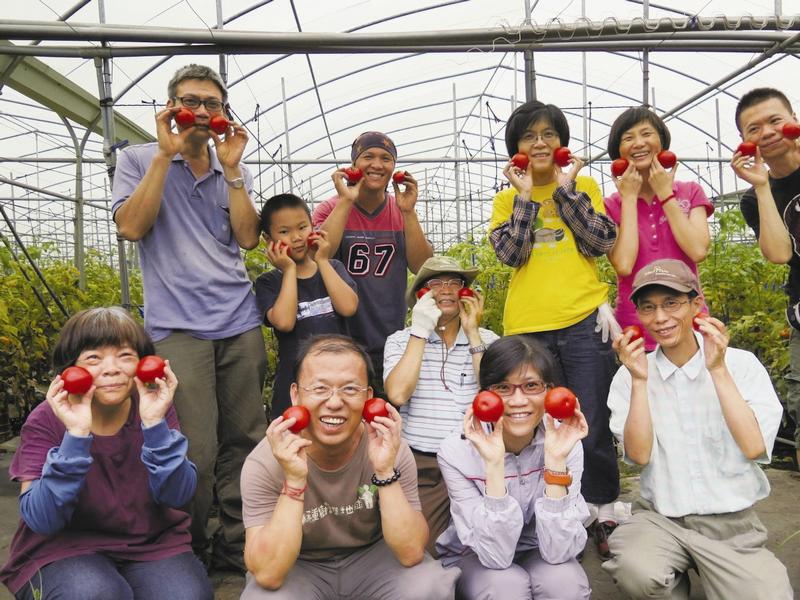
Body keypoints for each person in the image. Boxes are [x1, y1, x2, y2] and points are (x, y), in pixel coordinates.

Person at [111, 63, 268, 571]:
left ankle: (237, 544)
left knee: (247, 438)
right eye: (190, 101)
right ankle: (190, 545)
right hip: (178, 327)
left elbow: (247, 239)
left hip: (239, 321)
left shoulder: (230, 166)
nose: (201, 111)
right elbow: (132, 227)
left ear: (223, 113)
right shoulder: (138, 158)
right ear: (172, 108)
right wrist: (163, 154)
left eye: (212, 104)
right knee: (194, 448)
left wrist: (236, 171)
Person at [603, 259, 791, 599]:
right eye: (649, 308)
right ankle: (673, 585)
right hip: (661, 520)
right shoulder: (629, 375)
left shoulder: (740, 364)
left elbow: (754, 448)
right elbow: (639, 456)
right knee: (636, 572)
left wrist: (718, 370)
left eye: (672, 304)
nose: (660, 318)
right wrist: (640, 382)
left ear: (696, 305)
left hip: (731, 526)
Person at [0, 307, 213, 600]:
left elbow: (178, 496)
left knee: (185, 596)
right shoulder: (46, 419)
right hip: (61, 548)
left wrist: (154, 425)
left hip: (148, 542)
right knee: (93, 593)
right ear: (70, 369)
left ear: (144, 363)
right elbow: (42, 520)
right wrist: (75, 435)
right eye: (93, 358)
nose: (111, 368)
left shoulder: (152, 407)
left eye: (125, 355)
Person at [488, 99, 620, 556]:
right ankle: (555, 506)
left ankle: (601, 511)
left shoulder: (583, 186)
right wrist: (525, 197)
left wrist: (565, 191)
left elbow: (601, 240)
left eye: (548, 133)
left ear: (562, 143)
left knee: (593, 420)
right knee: (542, 423)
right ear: (516, 149)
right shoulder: (507, 199)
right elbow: (511, 254)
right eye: (529, 136)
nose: (540, 142)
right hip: (528, 328)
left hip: (582, 318)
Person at [239, 334, 459, 598]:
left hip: (373, 559)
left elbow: (411, 552)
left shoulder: (388, 447)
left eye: (350, 389)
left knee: (429, 586)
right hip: (300, 565)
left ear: (368, 398)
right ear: (295, 395)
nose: (334, 402)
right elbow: (268, 573)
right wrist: (294, 482)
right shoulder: (265, 461)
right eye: (320, 388)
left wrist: (385, 471)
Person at [436, 335, 592, 599]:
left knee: (565, 582)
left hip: (540, 547)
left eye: (531, 386)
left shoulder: (567, 443)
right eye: (503, 388)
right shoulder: (456, 451)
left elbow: (560, 552)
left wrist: (555, 460)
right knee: (505, 586)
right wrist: (494, 464)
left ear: (550, 391)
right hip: (477, 554)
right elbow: (495, 557)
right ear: (484, 395)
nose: (518, 400)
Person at [384, 255, 499, 556]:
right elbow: (397, 394)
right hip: (424, 462)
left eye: (454, 283)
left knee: (489, 542)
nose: (446, 289)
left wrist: (473, 332)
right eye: (436, 283)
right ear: (422, 293)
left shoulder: (488, 340)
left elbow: (496, 397)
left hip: (477, 457)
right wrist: (420, 330)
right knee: (425, 548)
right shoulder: (400, 341)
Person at [313, 132, 433, 392]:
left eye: (386, 158)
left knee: (384, 416)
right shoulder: (329, 209)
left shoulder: (401, 212)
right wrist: (346, 200)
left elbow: (422, 267)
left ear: (393, 167)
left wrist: (409, 213)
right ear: (353, 164)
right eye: (368, 157)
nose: (377, 165)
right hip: (339, 338)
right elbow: (319, 255)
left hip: (390, 335)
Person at [605, 106, 713, 351]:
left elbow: (698, 250)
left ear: (661, 143)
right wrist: (629, 198)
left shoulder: (690, 191)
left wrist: (665, 194)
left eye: (646, 134)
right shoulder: (612, 205)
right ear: (618, 152)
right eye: (628, 138)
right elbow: (623, 264)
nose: (639, 143)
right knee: (643, 388)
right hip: (636, 324)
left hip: (688, 318)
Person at [731, 87, 800, 469]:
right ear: (745, 142)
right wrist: (760, 185)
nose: (768, 132)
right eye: (753, 129)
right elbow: (779, 254)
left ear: (792, 118)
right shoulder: (754, 196)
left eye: (775, 120)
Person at [255, 193, 358, 419]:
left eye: (302, 227)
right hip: (294, 385)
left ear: (313, 226)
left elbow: (348, 307)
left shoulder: (333, 268)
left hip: (339, 379)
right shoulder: (269, 282)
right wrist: (289, 270)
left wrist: (321, 260)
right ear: (267, 238)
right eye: (284, 232)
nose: (296, 237)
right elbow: (284, 322)